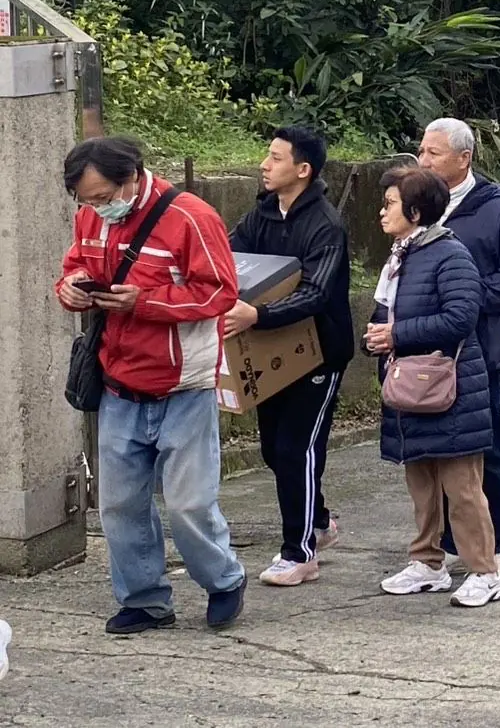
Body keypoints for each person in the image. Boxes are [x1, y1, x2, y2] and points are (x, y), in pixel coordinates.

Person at [56, 137, 246, 634]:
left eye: (102, 197)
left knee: (188, 503)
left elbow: (220, 292)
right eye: (86, 201)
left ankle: (224, 580)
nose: (97, 208)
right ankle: (145, 600)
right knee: (119, 504)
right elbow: (75, 266)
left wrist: (143, 301)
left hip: (184, 384)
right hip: (118, 380)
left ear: (131, 177)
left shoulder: (191, 217)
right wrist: (71, 289)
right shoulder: (90, 217)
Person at [368, 168, 500, 607]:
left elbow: (461, 317)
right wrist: (378, 337)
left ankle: (485, 571)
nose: (382, 212)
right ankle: (428, 562)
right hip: (412, 386)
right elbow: (385, 311)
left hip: (451, 387)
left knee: (462, 488)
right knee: (422, 483)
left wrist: (396, 334)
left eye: (390, 204)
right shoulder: (401, 256)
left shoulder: (449, 254)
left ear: (414, 211)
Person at [225, 127, 354, 588]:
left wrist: (256, 315)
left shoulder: (325, 224)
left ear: (303, 170)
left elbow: (316, 292)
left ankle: (299, 553)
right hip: (273, 351)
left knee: (296, 448)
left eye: (276, 158)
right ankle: (318, 521)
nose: (264, 164)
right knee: (273, 448)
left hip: (319, 355)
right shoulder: (262, 213)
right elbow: (229, 255)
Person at [417, 118, 500, 582]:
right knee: (441, 450)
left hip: (480, 348)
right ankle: (452, 544)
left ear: (464, 158)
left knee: (490, 447)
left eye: (434, 153)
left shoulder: (494, 207)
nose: (423, 160)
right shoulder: (421, 203)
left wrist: (467, 299)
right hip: (430, 349)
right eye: (422, 151)